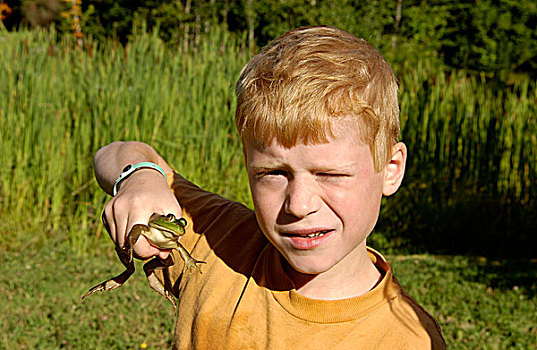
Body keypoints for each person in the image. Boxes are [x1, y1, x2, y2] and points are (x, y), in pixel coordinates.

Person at [94, 25, 446, 349]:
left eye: (330, 174)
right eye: (274, 173)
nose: (299, 204)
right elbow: (115, 154)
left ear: (390, 169)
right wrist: (139, 177)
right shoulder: (217, 241)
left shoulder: (410, 339)